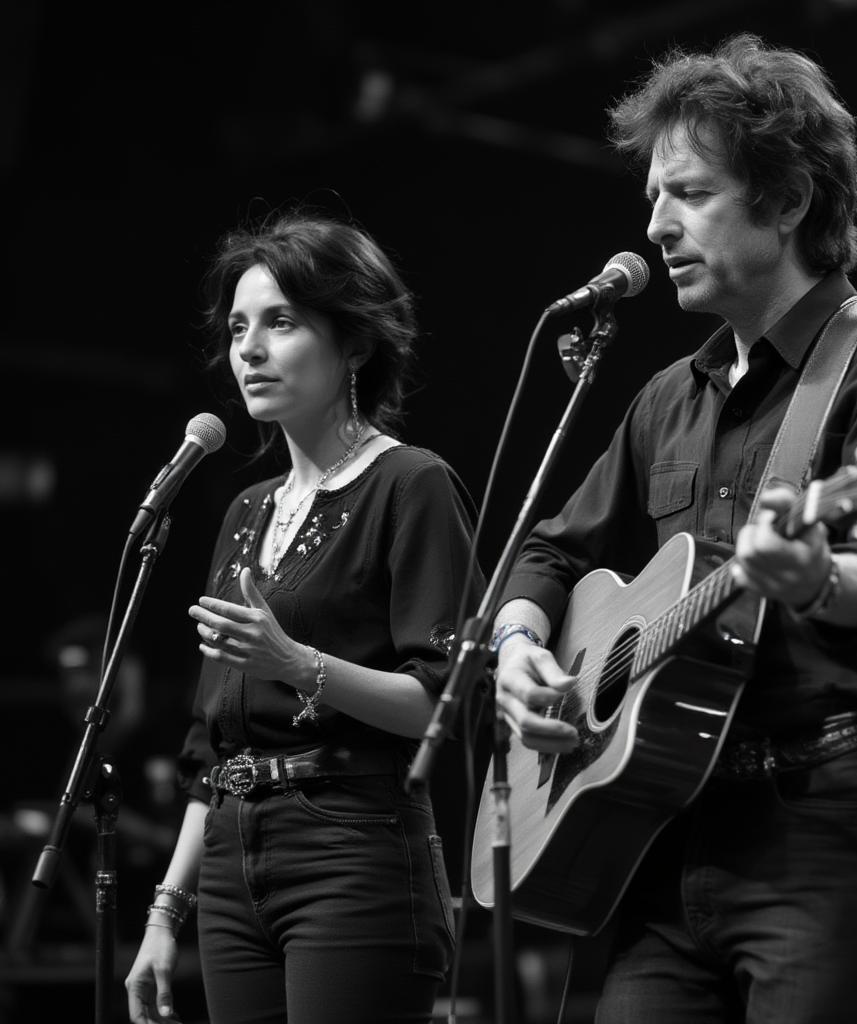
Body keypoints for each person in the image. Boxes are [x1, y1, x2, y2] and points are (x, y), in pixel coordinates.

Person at [491, 33, 857, 1023]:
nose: (657, 223)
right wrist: (517, 647)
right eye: (652, 199)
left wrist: (808, 574)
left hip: (829, 817)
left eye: (690, 193)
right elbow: (548, 548)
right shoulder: (667, 397)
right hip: (664, 836)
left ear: (789, 200)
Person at [124, 208, 484, 1024]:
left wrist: (297, 663)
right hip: (230, 861)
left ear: (355, 342)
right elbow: (207, 744)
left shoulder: (411, 484)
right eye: (238, 328)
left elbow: (448, 702)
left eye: (280, 323)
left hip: (351, 847)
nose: (247, 349)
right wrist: (164, 913)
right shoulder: (245, 510)